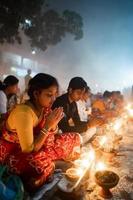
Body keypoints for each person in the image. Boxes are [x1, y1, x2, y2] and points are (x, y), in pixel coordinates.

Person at [0, 73, 80, 191]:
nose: (53, 99)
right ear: (36, 94)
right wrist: (48, 126)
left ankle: (50, 159)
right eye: (49, 95)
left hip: (40, 144)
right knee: (38, 169)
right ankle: (54, 164)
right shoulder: (24, 113)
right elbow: (29, 149)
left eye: (55, 95)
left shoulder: (44, 108)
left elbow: (53, 133)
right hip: (16, 151)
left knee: (75, 138)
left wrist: (53, 125)